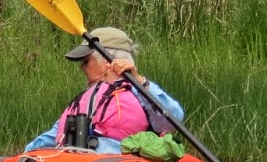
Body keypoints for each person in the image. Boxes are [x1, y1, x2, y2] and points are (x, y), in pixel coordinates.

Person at [23, 26, 184, 154]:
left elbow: (173, 119)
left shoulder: (138, 90)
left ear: (108, 62)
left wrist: (138, 80)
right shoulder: (84, 100)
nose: (81, 68)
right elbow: (53, 136)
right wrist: (23, 157)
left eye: (86, 61)